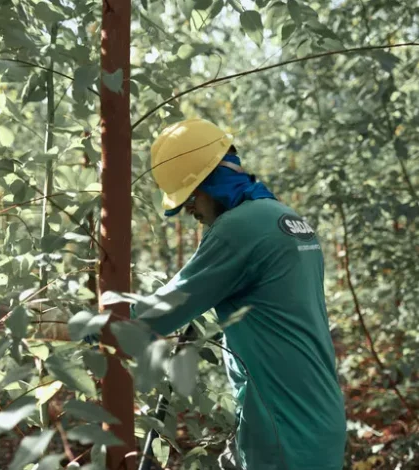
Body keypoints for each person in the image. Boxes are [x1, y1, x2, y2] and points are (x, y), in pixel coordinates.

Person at [132, 118, 347, 470]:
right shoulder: (287, 219)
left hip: (283, 435)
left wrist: (88, 324)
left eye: (190, 197)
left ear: (209, 184)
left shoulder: (239, 228)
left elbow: (157, 315)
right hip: (312, 419)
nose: (188, 210)